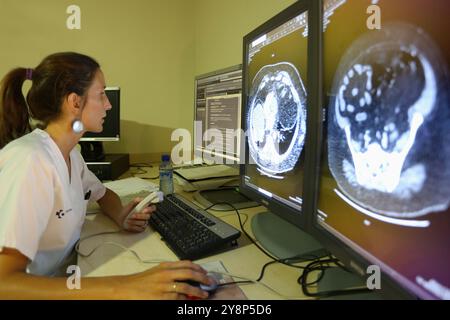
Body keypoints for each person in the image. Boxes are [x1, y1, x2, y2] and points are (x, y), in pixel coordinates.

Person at [0, 52, 214, 299]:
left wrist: (120, 214)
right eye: (101, 95)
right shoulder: (30, 161)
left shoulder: (72, 155)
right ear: (75, 103)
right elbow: (4, 284)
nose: (108, 105)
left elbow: (101, 193)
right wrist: (127, 286)